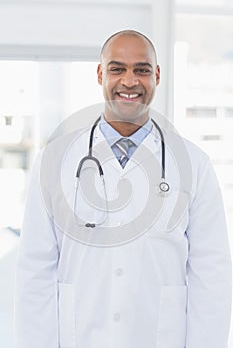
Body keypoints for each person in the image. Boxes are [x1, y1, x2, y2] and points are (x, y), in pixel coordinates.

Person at [15, 30, 232, 348]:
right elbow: (35, 271)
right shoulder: (55, 160)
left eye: (141, 69)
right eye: (117, 68)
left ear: (156, 75)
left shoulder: (194, 164)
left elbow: (211, 275)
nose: (129, 81)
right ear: (101, 74)